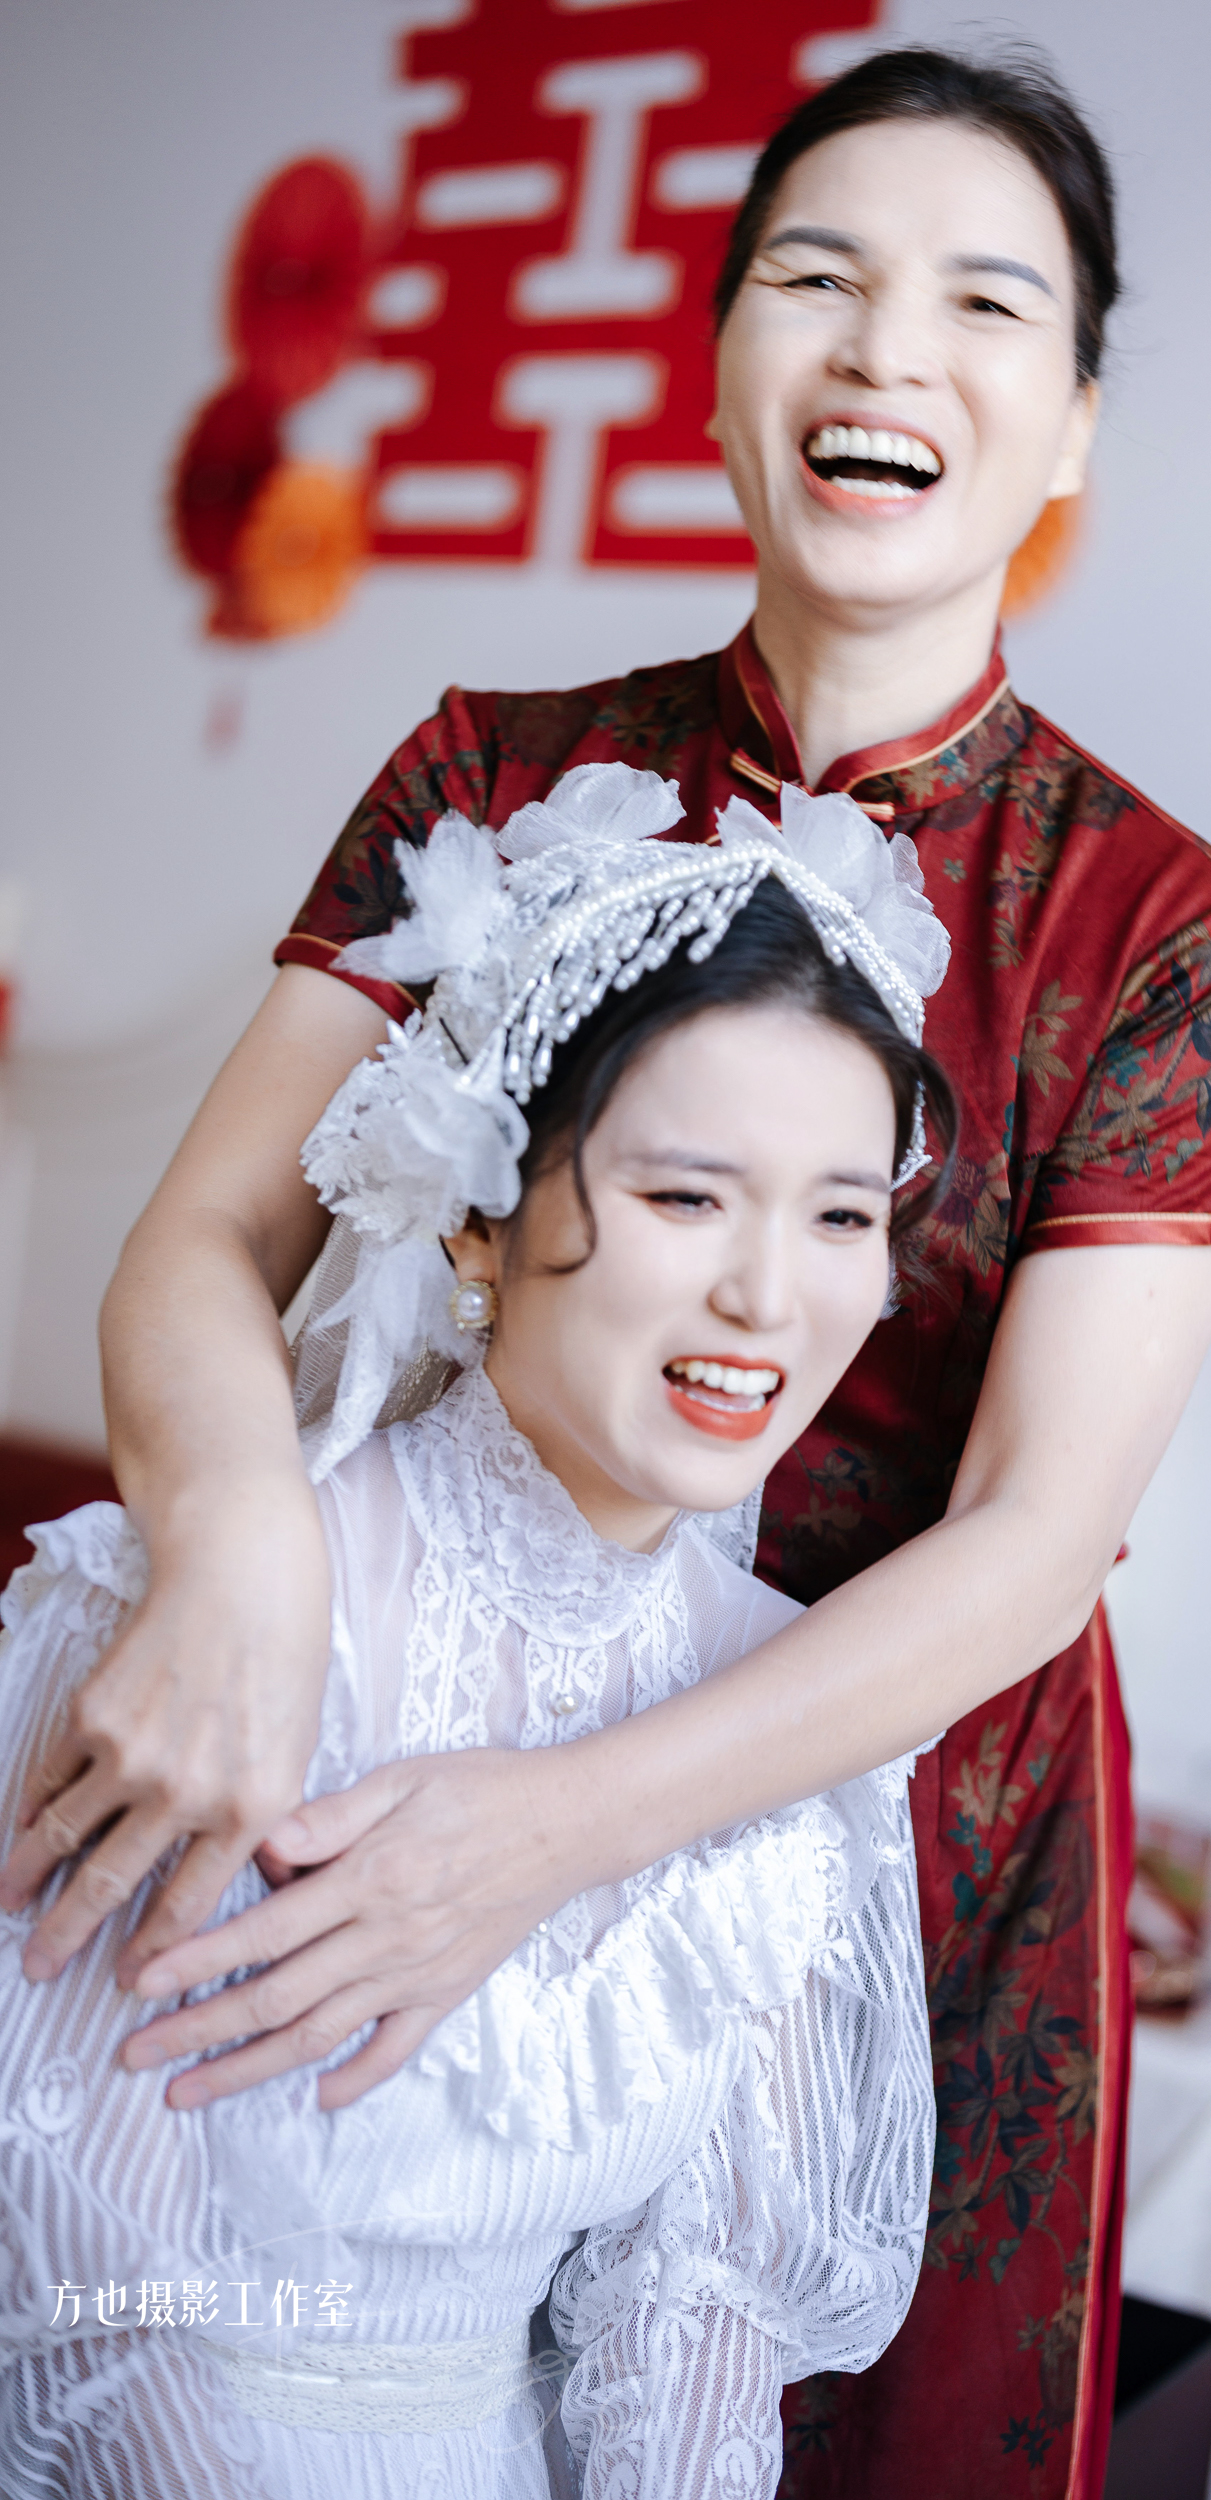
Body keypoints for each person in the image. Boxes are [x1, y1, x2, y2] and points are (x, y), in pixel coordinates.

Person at [0, 45, 1211, 2500]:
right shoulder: (489, 771)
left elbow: (1036, 1536)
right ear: (716, 365)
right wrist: (245, 1553)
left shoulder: (1160, 924)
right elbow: (204, 1242)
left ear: (1074, 426)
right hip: (412, 1679)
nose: (890, 349)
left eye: (986, 304)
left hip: (875, 1801)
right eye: (819, 276)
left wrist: (557, 1830)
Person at [0, 768, 957, 2497]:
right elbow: (81, 2298)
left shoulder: (789, 1714)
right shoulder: (205, 1621)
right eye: (685, 1197)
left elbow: (697, 2322)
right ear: (472, 1214)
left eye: (839, 1215)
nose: (768, 1296)